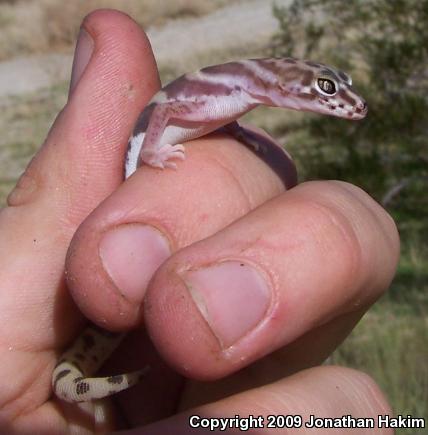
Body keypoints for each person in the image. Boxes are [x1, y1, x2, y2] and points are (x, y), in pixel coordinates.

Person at [0, 9, 399, 434]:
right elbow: (166, 112)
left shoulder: (238, 96)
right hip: (137, 166)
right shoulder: (230, 91)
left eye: (336, 89)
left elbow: (211, 114)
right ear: (284, 84)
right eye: (325, 90)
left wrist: (238, 132)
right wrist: (153, 151)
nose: (340, 101)